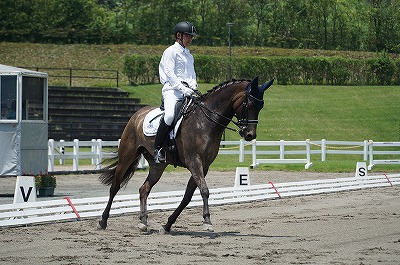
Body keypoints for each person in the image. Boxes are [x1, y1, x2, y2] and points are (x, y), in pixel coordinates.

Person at [154, 21, 198, 163]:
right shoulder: (170, 51)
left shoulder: (189, 55)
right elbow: (169, 73)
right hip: (172, 90)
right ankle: (158, 148)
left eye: (192, 37)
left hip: (187, 92)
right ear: (179, 35)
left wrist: (193, 86)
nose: (190, 39)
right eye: (188, 36)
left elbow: (192, 75)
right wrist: (183, 88)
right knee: (169, 116)